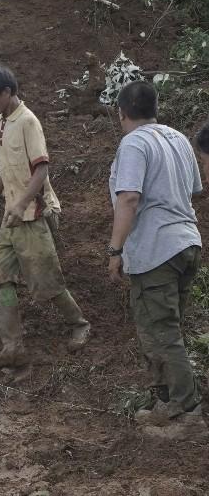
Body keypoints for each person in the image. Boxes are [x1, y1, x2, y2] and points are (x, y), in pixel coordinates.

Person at [0, 67, 90, 367]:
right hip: (12, 215)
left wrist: (21, 202)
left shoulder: (27, 122)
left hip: (33, 213)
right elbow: (8, 169)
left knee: (46, 279)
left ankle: (79, 324)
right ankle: (13, 346)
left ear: (8, 92)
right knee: (0, 277)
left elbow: (41, 169)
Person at [107, 82, 204, 439]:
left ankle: (186, 407)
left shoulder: (134, 143)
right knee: (165, 327)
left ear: (121, 112)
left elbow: (129, 198)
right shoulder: (178, 138)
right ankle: (165, 398)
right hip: (187, 243)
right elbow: (194, 189)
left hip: (156, 250)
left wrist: (115, 249)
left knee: (160, 330)